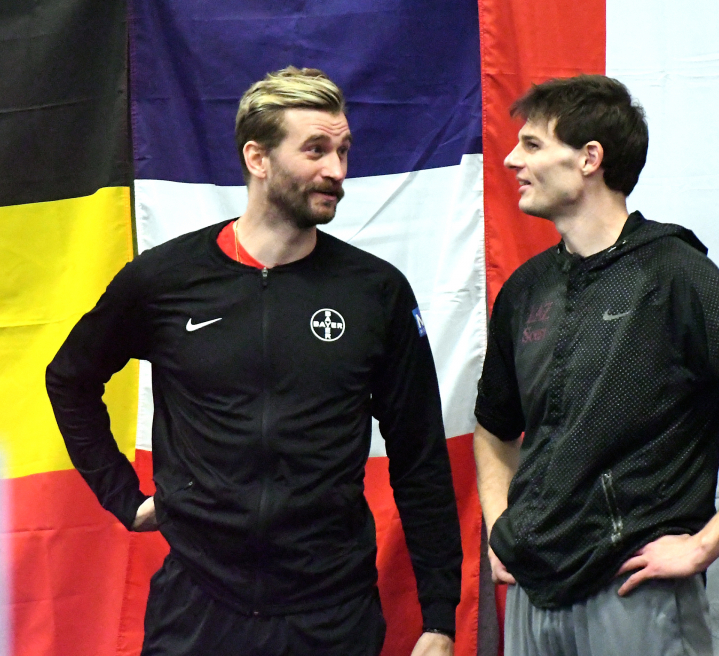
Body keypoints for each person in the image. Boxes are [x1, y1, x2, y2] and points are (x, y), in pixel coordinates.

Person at [46, 67, 461, 656]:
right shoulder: (166, 280)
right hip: (198, 610)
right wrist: (122, 496)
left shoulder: (376, 292)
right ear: (258, 158)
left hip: (331, 615)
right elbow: (70, 379)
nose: (337, 171)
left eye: (343, 151)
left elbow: (419, 457)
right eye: (316, 150)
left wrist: (439, 618)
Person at [472, 75, 719, 655]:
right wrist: (500, 528)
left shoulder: (673, 273)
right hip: (531, 594)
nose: (513, 159)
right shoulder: (525, 288)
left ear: (590, 158)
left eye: (534, 145)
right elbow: (494, 426)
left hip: (632, 594)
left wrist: (703, 546)